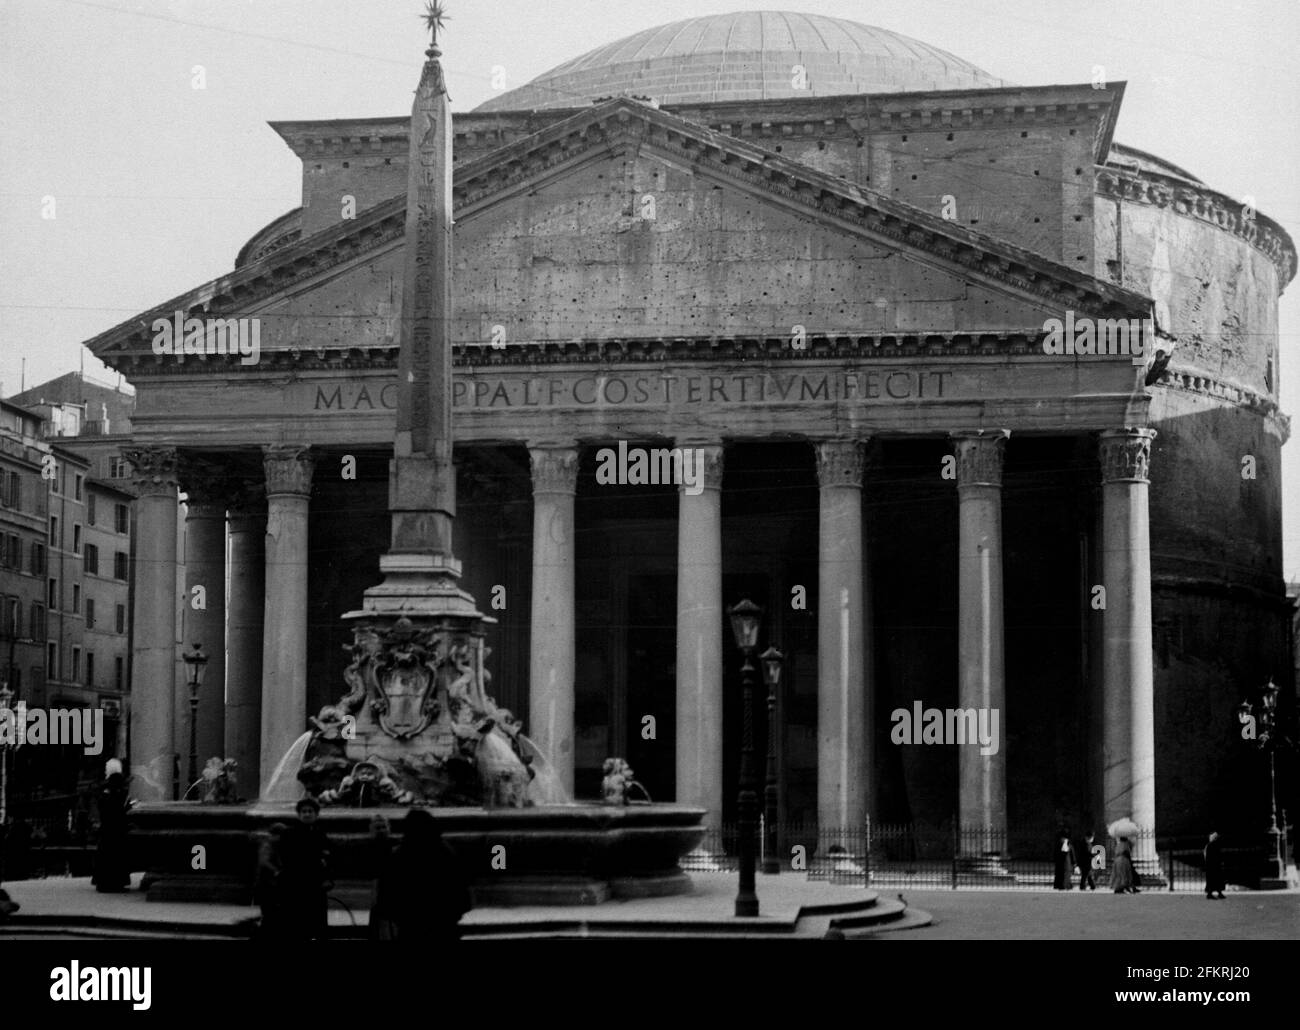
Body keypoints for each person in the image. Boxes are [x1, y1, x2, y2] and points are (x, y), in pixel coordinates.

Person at [373, 809, 471, 942]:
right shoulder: (447, 854)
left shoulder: (399, 858)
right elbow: (464, 900)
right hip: (445, 931)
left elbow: (385, 903)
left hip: (410, 931)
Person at [279, 798, 332, 939]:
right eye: (304, 811)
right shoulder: (289, 834)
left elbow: (329, 857)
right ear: (298, 814)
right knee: (297, 922)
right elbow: (285, 857)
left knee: (318, 920)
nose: (307, 814)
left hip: (316, 884)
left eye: (310, 811)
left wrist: (328, 878)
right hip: (296, 883)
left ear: (316, 814)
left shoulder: (321, 833)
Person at [92, 763, 132, 893]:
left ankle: (104, 882)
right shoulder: (120, 787)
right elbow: (120, 806)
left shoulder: (105, 788)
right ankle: (117, 883)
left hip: (107, 828)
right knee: (118, 855)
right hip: (118, 827)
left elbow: (103, 805)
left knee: (106, 855)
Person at [253, 823, 287, 938]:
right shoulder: (267, 845)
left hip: (273, 883)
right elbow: (264, 861)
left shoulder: (277, 845)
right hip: (266, 883)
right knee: (268, 908)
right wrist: (276, 871)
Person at [366, 814, 396, 940]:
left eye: (384, 827)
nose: (382, 830)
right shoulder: (371, 848)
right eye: (378, 828)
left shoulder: (395, 846)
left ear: (389, 828)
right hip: (380, 886)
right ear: (371, 830)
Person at [1204, 830, 1226, 900]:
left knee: (1215, 879)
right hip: (1213, 866)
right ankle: (1211, 894)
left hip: (1213, 865)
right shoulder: (1212, 845)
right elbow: (1215, 855)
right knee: (1215, 879)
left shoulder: (1210, 845)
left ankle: (1217, 893)